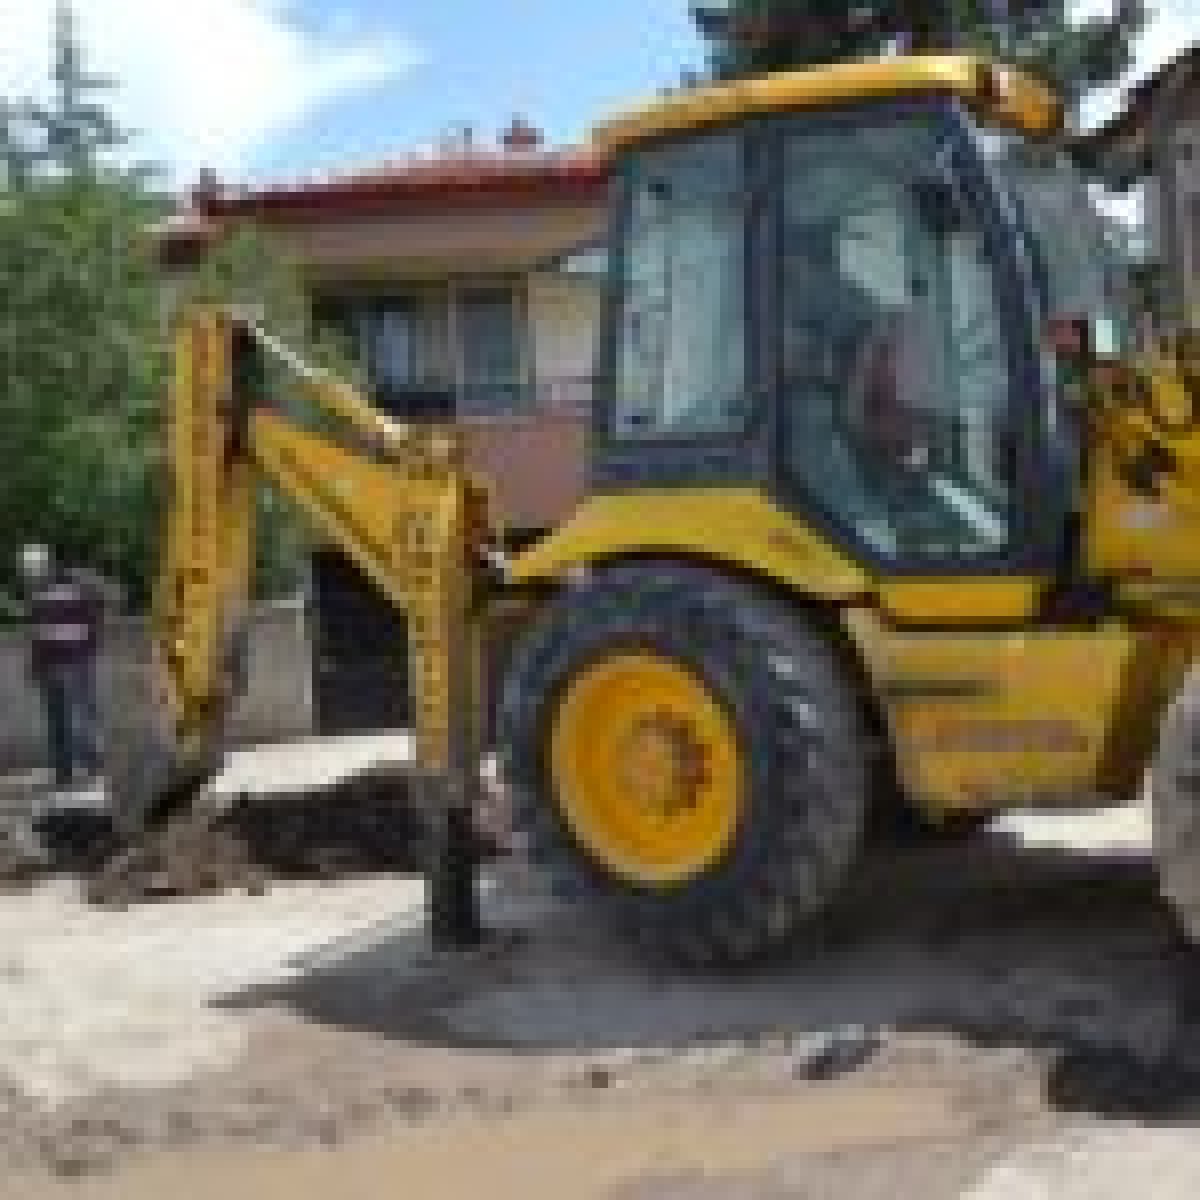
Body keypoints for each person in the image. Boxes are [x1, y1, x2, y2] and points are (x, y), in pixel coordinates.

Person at [19, 545, 110, 788]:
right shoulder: (41, 593)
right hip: (60, 663)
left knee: (74, 719)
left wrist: (91, 642)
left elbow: (99, 608)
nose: (30, 578)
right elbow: (36, 632)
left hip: (72, 661)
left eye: (31, 572)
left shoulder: (73, 585)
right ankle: (67, 772)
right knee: (63, 719)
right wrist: (34, 663)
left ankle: (86, 769)